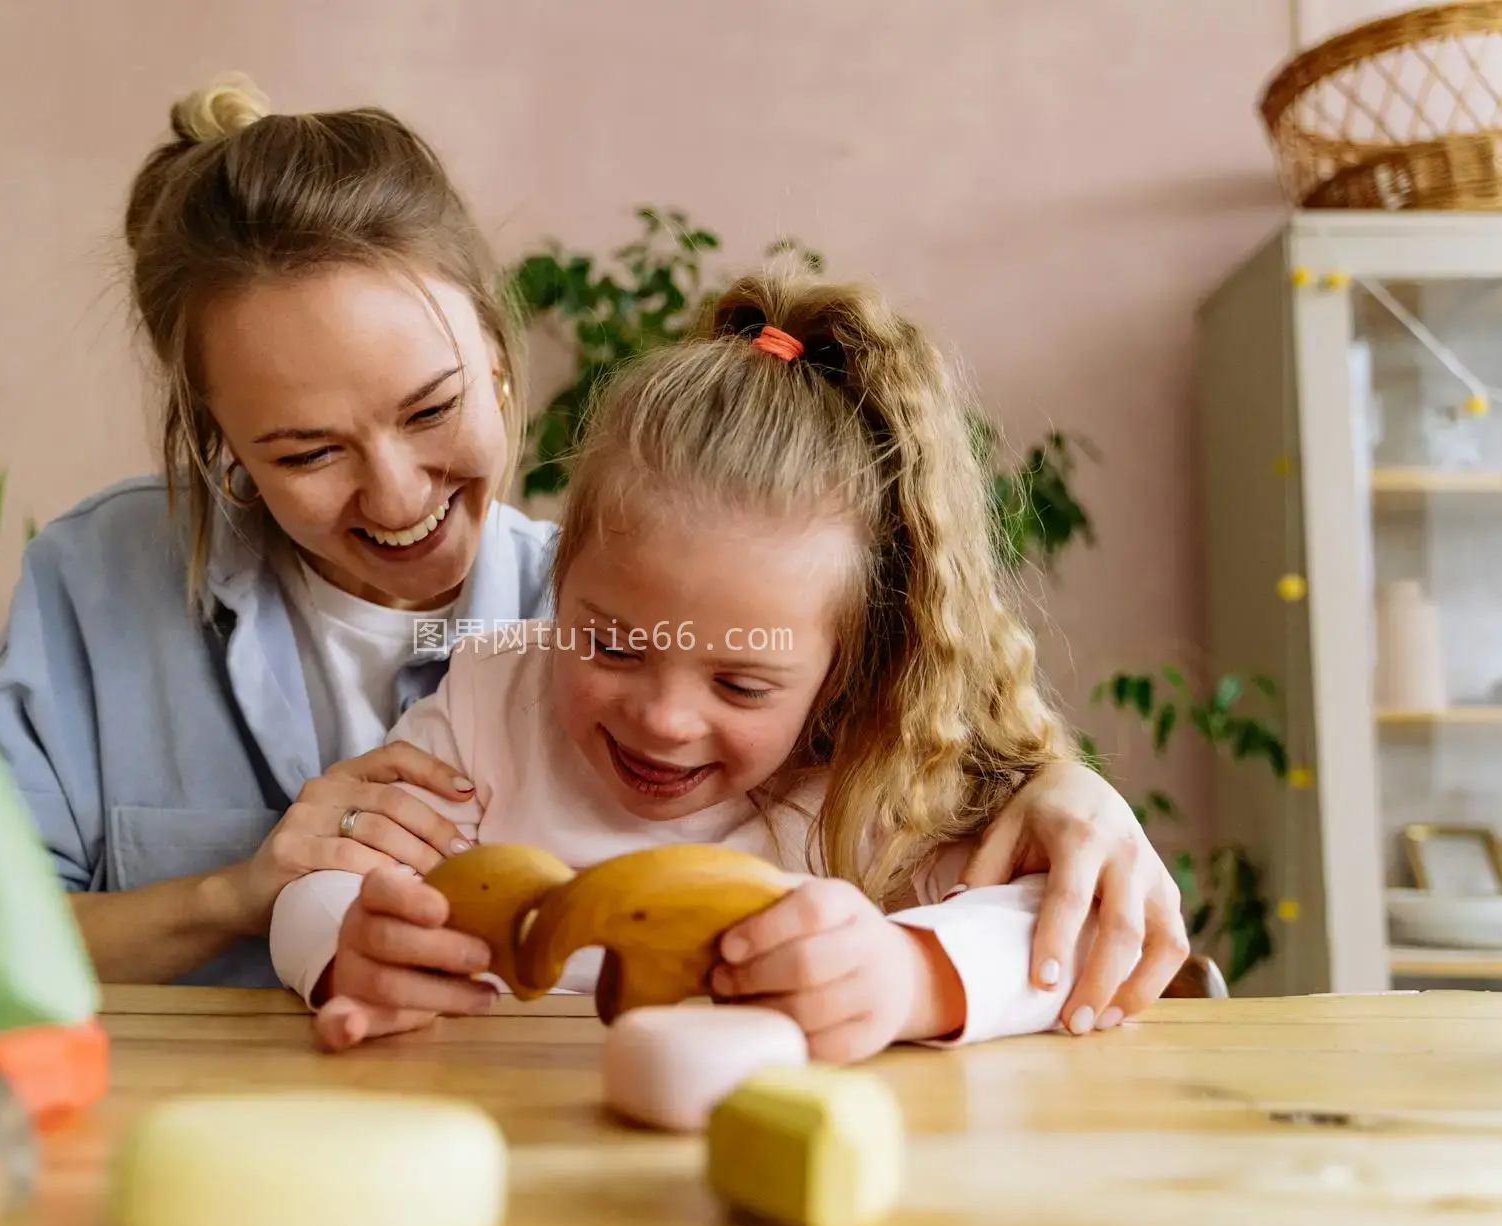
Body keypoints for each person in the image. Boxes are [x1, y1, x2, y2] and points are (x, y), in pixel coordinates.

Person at [0, 74, 1188, 1034]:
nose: (396, 495)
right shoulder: (127, 592)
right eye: (302, 451)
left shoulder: (650, 595)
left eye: (432, 408)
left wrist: (1047, 798)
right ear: (218, 443)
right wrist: (267, 900)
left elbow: (1035, 910)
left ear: (499, 361)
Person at [276, 274, 1149, 1058]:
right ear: (559, 575)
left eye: (741, 682)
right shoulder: (491, 694)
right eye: (611, 645)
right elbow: (319, 887)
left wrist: (910, 975)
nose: (663, 719)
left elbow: (1067, 927)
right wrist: (347, 941)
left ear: (842, 670)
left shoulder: (879, 772)